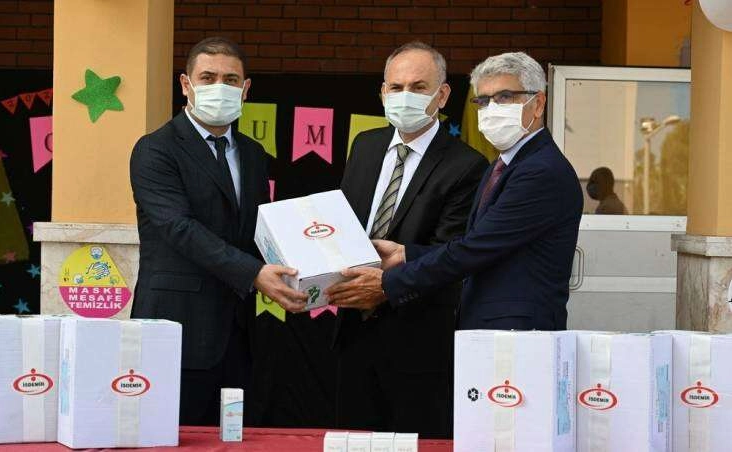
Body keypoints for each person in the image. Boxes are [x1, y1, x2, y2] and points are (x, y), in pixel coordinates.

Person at [327, 51, 583, 333]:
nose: (492, 109)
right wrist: (406, 254)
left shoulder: (541, 171)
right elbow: (472, 244)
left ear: (538, 104)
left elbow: (476, 249)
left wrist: (389, 283)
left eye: (505, 97)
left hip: (518, 332)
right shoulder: (503, 165)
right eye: (483, 100)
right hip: (486, 328)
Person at [129, 37, 307, 426]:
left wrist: (308, 272)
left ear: (245, 89)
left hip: (239, 334)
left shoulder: (252, 153)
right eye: (207, 78)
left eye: (230, 80)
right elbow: (179, 228)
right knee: (172, 439)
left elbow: (259, 230)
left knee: (233, 438)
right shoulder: (155, 149)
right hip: (177, 329)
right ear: (185, 85)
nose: (219, 87)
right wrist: (254, 273)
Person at [334, 42, 487, 438]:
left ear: (443, 94)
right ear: (382, 92)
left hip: (418, 342)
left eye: (419, 87)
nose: (405, 96)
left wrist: (388, 282)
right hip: (353, 333)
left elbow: (452, 256)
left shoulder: (467, 165)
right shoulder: (365, 146)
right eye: (396, 87)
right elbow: (345, 226)